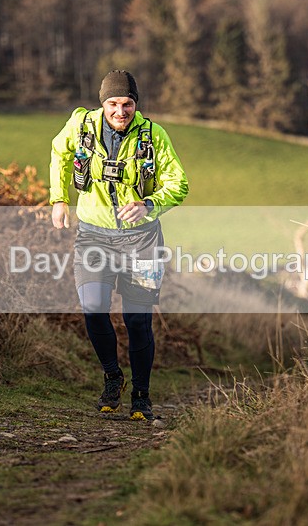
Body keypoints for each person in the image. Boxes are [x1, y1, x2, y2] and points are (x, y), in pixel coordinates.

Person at [49, 70, 189, 420]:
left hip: (142, 240)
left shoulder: (153, 135)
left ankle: (141, 395)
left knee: (137, 320)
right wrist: (58, 199)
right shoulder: (81, 126)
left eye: (127, 104)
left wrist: (149, 205)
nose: (120, 111)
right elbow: (58, 152)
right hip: (94, 236)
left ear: (135, 105)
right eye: (113, 103)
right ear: (103, 103)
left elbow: (179, 183)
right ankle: (112, 377)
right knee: (93, 307)